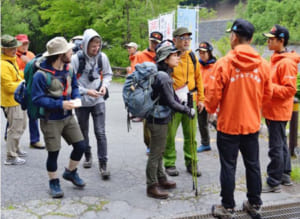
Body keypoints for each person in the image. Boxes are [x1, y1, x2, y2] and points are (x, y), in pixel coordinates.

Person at [205, 19, 273, 219]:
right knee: (253, 165)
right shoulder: (263, 64)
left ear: (234, 37)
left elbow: (213, 96)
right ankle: (254, 203)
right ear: (251, 39)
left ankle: (227, 207)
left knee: (228, 166)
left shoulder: (224, 64)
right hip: (251, 124)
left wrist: (210, 110)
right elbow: (268, 95)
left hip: (228, 125)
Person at [31, 37, 86, 198]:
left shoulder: (69, 69)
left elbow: (74, 86)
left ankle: (70, 171)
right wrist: (61, 104)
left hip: (68, 116)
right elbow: (37, 99)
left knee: (80, 146)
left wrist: (75, 99)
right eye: (69, 50)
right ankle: (53, 182)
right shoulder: (41, 76)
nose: (72, 52)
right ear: (61, 54)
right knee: (53, 153)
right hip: (51, 119)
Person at [146, 40, 195, 199]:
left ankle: (161, 178)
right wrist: (188, 110)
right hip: (158, 120)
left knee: (159, 151)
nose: (178, 58)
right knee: (155, 153)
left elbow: (172, 98)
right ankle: (151, 186)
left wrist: (183, 105)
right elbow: (171, 102)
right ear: (166, 59)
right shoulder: (164, 77)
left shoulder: (164, 74)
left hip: (156, 118)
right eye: (174, 56)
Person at [262, 25, 299, 193]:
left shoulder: (287, 63)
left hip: (278, 111)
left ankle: (273, 181)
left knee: (275, 146)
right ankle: (285, 174)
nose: (268, 41)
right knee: (282, 143)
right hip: (272, 109)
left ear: (281, 41)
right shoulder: (276, 58)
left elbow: (290, 90)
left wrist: (267, 87)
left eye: (271, 38)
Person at [71, 28, 113, 179]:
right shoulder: (76, 59)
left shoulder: (102, 57)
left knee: (100, 132)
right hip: (81, 101)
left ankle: (103, 164)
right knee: (83, 131)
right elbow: (71, 82)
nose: (96, 48)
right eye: (93, 45)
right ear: (85, 45)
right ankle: (87, 155)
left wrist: (104, 86)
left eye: (98, 45)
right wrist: (86, 91)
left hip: (98, 100)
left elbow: (108, 74)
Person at [163, 27, 204, 177]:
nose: (186, 41)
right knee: (170, 134)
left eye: (188, 38)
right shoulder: (170, 56)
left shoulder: (192, 57)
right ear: (175, 40)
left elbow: (199, 78)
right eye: (183, 38)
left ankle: (192, 162)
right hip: (174, 101)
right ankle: (169, 162)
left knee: (191, 135)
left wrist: (201, 99)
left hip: (190, 99)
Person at [131, 31, 163, 154]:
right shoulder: (140, 55)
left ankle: (160, 145)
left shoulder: (163, 55)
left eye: (157, 43)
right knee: (148, 121)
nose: (154, 44)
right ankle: (149, 144)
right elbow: (134, 73)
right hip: (146, 92)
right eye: (152, 42)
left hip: (160, 92)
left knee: (161, 120)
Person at [1, 34, 27, 165]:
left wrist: (25, 74)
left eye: (15, 48)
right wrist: (24, 83)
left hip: (18, 99)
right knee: (14, 128)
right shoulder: (3, 64)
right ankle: (11, 156)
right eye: (11, 48)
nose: (14, 50)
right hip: (11, 101)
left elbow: (17, 76)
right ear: (4, 49)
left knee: (21, 125)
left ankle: (15, 149)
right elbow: (8, 86)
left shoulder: (11, 60)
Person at [15, 34, 45, 149]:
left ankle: (34, 140)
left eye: (26, 43)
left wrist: (28, 64)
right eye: (22, 43)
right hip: (19, 89)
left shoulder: (31, 55)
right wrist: (28, 66)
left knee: (33, 114)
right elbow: (17, 74)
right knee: (17, 115)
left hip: (31, 88)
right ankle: (10, 135)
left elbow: (36, 71)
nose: (25, 46)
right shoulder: (13, 56)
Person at [195, 42, 217, 153]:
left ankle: (229, 141)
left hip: (213, 99)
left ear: (209, 53)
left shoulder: (216, 66)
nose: (202, 55)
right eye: (200, 53)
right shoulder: (197, 66)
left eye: (204, 53)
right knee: (201, 123)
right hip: (200, 99)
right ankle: (205, 143)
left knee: (217, 122)